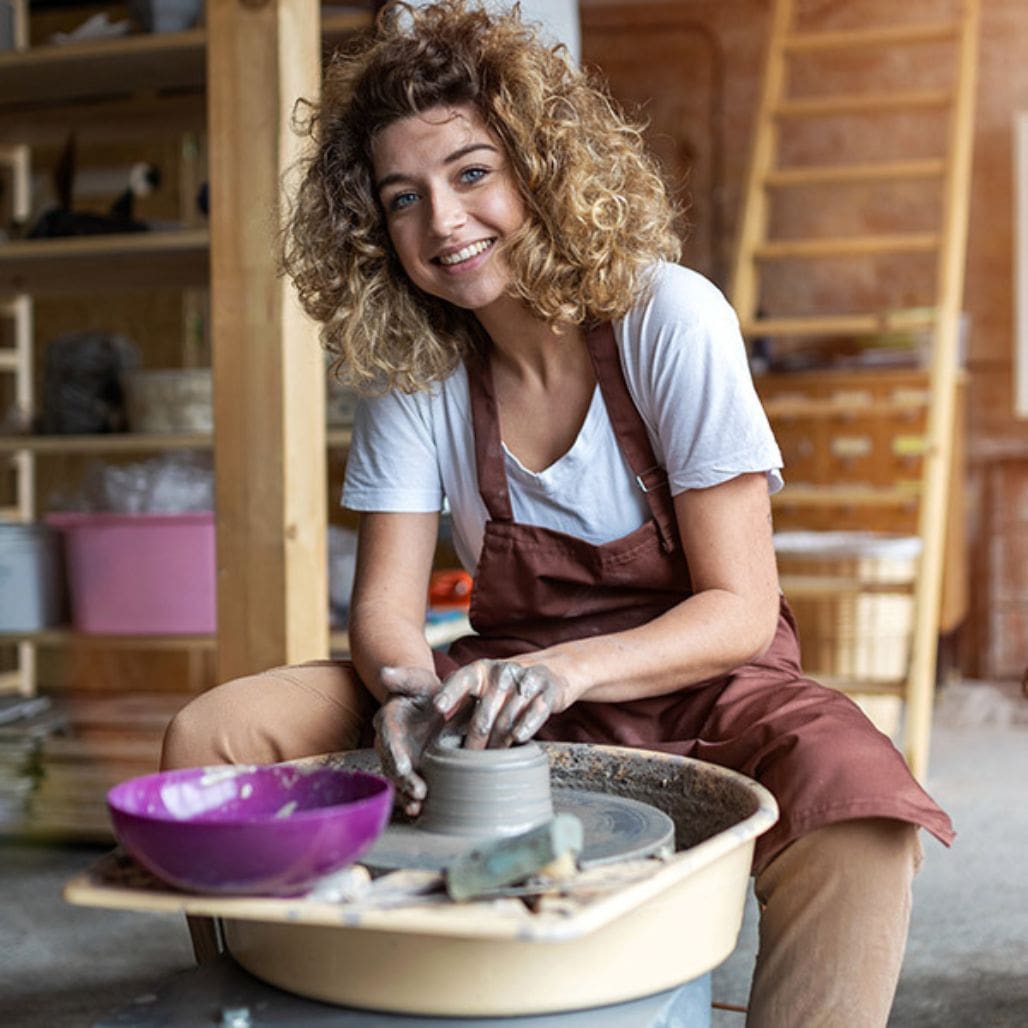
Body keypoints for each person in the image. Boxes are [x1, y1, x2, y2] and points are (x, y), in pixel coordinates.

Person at [161, 2, 954, 1023]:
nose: (441, 221)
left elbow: (739, 608)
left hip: (699, 687)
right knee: (214, 734)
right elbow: (390, 622)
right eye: (402, 197)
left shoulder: (668, 317)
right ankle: (289, 1000)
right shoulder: (418, 371)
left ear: (539, 165)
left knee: (857, 799)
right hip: (495, 691)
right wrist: (407, 697)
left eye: (471, 173)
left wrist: (563, 669)